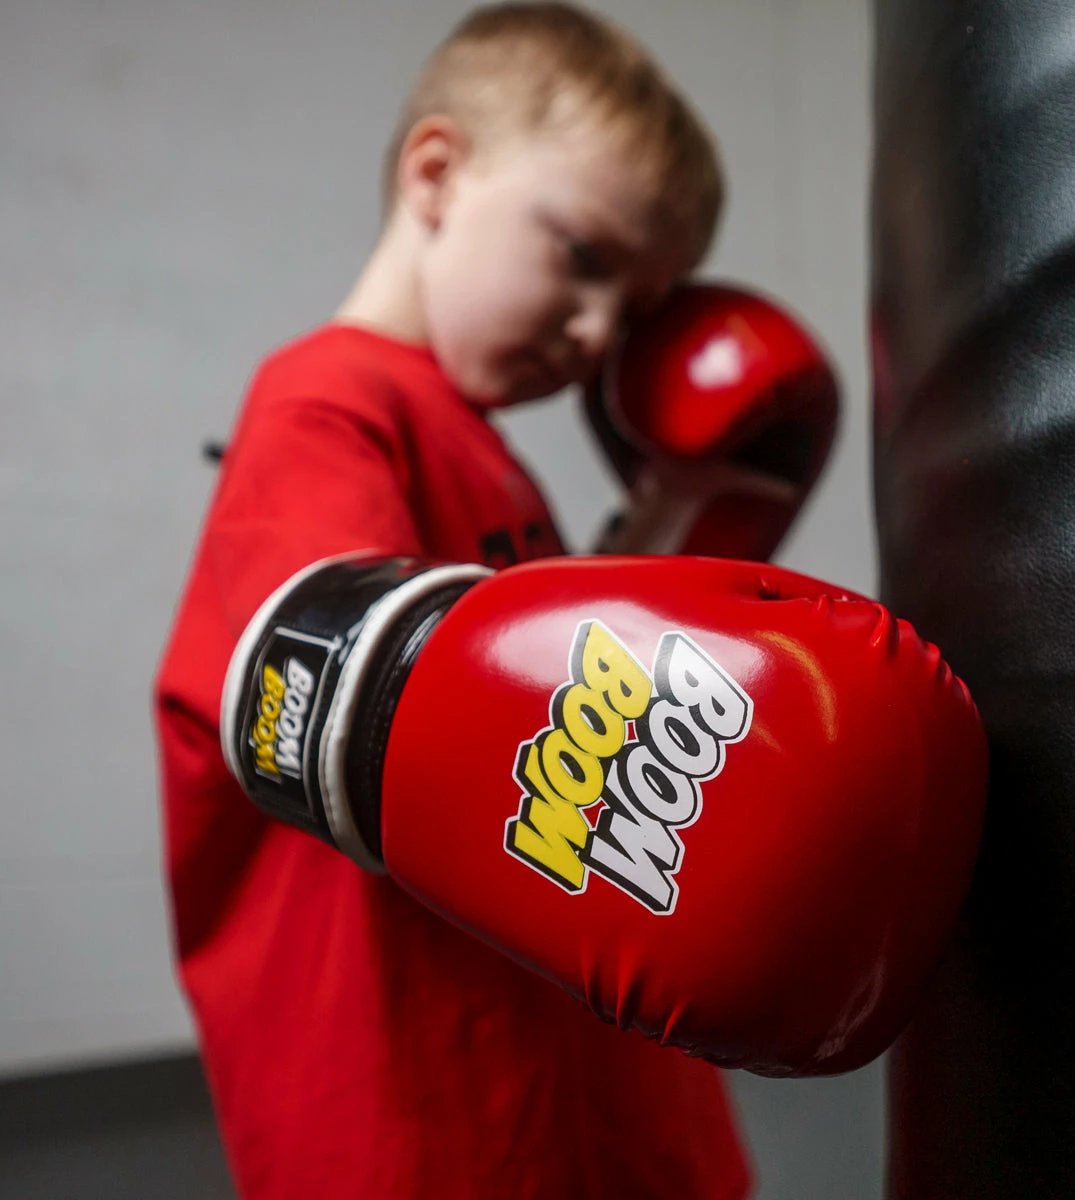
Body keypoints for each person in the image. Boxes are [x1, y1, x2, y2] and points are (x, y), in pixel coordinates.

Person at [154, 6, 749, 1196]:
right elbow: (334, 690)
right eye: (584, 258)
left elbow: (549, 685)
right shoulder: (325, 406)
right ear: (438, 174)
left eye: (634, 309)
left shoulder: (470, 442)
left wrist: (689, 515)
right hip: (423, 1097)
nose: (596, 334)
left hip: (560, 1061)